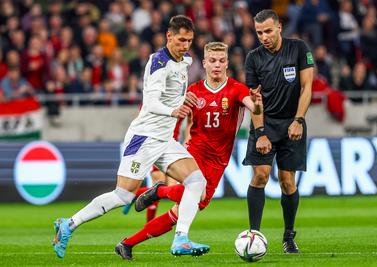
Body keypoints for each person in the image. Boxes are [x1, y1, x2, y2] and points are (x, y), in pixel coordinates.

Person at [53, 15, 210, 259]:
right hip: (144, 137)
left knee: (197, 182)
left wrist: (183, 98)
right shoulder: (159, 62)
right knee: (123, 195)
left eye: (189, 40)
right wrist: (174, 109)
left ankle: (181, 238)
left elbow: (171, 95)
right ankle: (68, 224)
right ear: (169, 36)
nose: (185, 45)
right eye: (181, 40)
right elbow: (151, 101)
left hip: (165, 139)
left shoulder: (184, 61)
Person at [115, 41, 262, 261]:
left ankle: (127, 243)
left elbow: (252, 106)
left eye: (221, 61)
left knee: (180, 211)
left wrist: (258, 105)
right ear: (204, 63)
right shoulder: (193, 91)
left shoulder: (236, 89)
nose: (217, 65)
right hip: (194, 153)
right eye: (212, 61)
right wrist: (167, 145)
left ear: (227, 63)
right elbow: (174, 119)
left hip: (219, 159)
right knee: (196, 197)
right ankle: (159, 193)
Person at [242, 9, 314, 254]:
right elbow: (254, 99)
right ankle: (253, 235)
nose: (264, 36)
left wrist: (299, 120)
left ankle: (289, 236)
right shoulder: (253, 58)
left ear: (280, 27)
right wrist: (260, 132)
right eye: (259, 32)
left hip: (292, 123)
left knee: (287, 182)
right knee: (260, 176)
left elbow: (307, 88)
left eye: (268, 31)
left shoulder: (299, 48)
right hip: (265, 122)